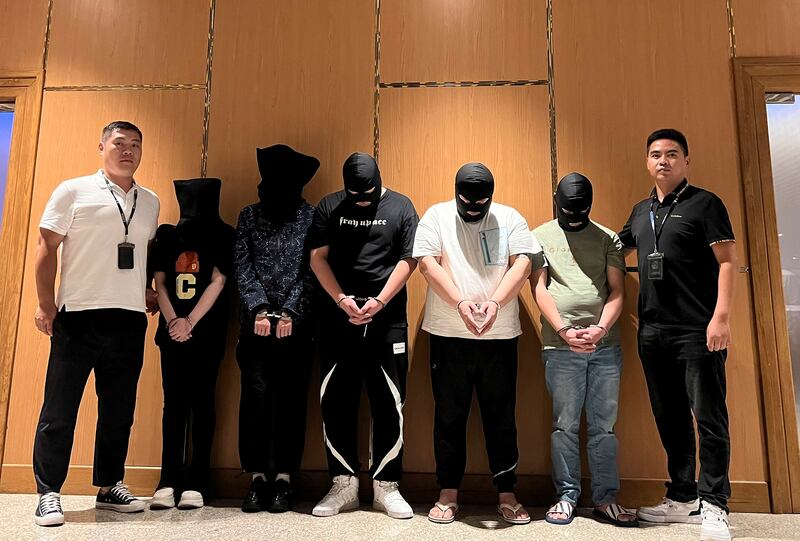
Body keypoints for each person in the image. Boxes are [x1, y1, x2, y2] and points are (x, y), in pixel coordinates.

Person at [32, 121, 160, 526]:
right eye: (119, 143)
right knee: (60, 408)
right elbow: (46, 247)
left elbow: (138, 255)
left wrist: (144, 291)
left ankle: (109, 485)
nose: (128, 151)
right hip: (79, 315)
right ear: (101, 146)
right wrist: (45, 303)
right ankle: (48, 492)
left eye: (135, 145)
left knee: (119, 409)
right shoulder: (73, 190)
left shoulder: (150, 201)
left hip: (128, 318)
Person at [620, 129, 736, 541]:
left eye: (672, 154)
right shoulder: (640, 211)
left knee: (709, 419)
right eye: (655, 154)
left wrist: (720, 317)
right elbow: (615, 249)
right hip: (652, 332)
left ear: (686, 160)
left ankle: (716, 504)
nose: (663, 161)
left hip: (697, 330)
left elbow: (726, 263)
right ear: (647, 162)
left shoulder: (706, 204)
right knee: (669, 417)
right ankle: (683, 496)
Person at [413, 163, 533, 525]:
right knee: (449, 417)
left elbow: (523, 263)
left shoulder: (510, 217)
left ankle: (507, 492)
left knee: (502, 417)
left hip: (500, 336)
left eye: (481, 201)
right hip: (448, 334)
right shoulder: (436, 215)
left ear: (491, 196)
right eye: (466, 200)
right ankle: (447, 492)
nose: (473, 207)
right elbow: (427, 265)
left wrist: (495, 302)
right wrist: (461, 303)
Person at [309, 152, 418, 519]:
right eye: (355, 194)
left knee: (390, 402)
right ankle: (344, 484)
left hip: (387, 321)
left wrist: (380, 301)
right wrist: (341, 299)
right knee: (336, 401)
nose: (362, 199)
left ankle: (387, 486)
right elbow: (317, 258)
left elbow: (409, 260)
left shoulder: (401, 206)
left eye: (368, 194)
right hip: (338, 318)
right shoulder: (329, 205)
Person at [529, 172, 636, 527]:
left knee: (604, 427)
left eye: (581, 210)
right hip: (559, 345)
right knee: (564, 425)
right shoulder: (540, 236)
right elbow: (539, 288)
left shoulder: (607, 237)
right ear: (557, 202)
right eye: (569, 210)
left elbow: (617, 290)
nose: (574, 216)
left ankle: (606, 499)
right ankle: (566, 495)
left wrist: (601, 328)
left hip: (605, 345)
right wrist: (563, 330)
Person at [234, 144, 318, 513]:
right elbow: (241, 263)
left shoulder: (310, 217)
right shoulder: (249, 216)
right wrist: (259, 307)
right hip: (253, 326)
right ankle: (255, 479)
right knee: (254, 399)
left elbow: (313, 270)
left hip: (295, 327)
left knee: (291, 402)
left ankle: (284, 479)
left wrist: (289, 312)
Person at [149, 178, 234, 511]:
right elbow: (160, 282)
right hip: (173, 336)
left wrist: (189, 322)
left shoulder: (224, 235)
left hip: (206, 333)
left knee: (203, 404)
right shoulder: (168, 235)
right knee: (174, 406)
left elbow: (219, 280)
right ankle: (168, 478)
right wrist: (174, 323)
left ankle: (198, 480)